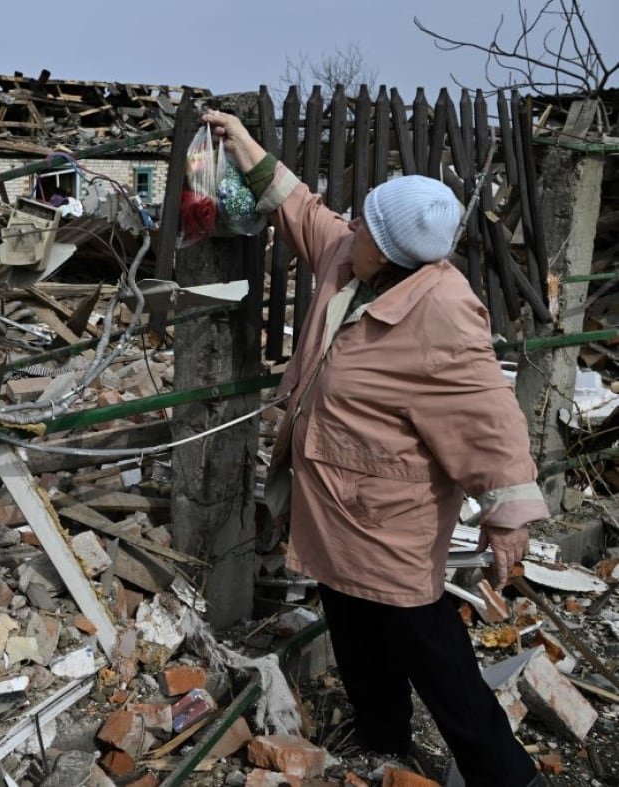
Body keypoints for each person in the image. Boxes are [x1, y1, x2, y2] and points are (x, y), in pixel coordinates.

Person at [201, 110, 550, 787]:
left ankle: (506, 773)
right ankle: (381, 733)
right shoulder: (350, 258)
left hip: (392, 517)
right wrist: (243, 145)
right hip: (334, 500)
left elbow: (488, 415)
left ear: (390, 252)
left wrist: (508, 514)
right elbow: (303, 210)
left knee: (432, 649)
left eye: (365, 223)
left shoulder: (443, 309)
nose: (352, 223)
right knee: (351, 623)